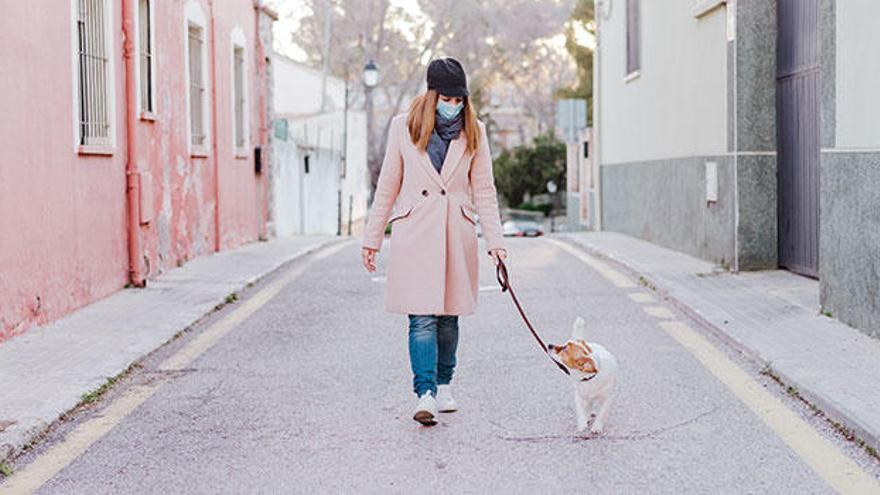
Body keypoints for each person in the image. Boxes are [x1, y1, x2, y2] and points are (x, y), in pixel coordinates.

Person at [361, 57, 507, 426]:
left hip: (456, 234)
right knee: (421, 318)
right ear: (431, 95)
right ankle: (424, 393)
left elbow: (484, 191)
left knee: (448, 319)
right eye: (447, 98)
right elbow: (387, 187)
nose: (453, 106)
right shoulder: (402, 128)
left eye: (459, 100)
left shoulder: (475, 131)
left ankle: (444, 384)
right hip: (415, 234)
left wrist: (496, 242)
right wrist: (372, 238)